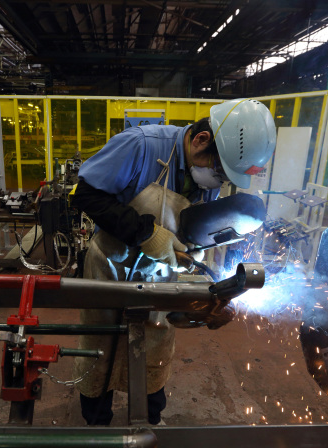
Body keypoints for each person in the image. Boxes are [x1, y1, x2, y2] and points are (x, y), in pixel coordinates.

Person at [71, 98, 277, 425]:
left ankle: (151, 422)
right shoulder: (140, 145)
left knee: (155, 342)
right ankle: (97, 425)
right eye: (219, 171)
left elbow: (185, 231)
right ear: (200, 141)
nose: (217, 182)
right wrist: (143, 234)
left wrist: (195, 278)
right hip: (110, 266)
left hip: (157, 271)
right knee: (102, 345)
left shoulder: (203, 175)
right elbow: (84, 196)